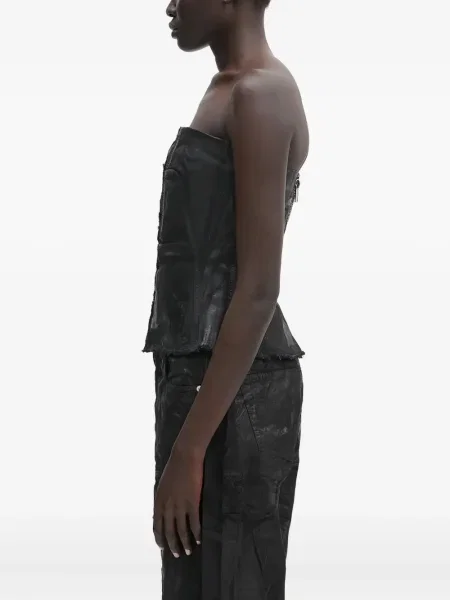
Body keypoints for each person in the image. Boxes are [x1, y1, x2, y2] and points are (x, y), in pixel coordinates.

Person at [142, 0, 309, 597]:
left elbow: (259, 287)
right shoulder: (227, 90)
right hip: (202, 385)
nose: (171, 4)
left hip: (239, 396)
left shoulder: (260, 95)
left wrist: (189, 449)